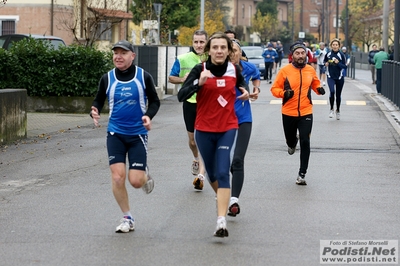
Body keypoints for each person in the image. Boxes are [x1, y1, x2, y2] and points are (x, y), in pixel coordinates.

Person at [177, 32, 249, 237]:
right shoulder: (200, 69)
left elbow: (242, 86)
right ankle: (222, 198)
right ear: (209, 50)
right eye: (215, 47)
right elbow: (182, 95)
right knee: (213, 173)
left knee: (223, 170)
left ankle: (221, 221)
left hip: (228, 127)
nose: (219, 51)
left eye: (223, 48)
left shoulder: (234, 69)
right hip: (204, 129)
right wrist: (198, 83)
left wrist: (244, 92)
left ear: (228, 51)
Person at [90, 40, 160, 233]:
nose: (118, 56)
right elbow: (98, 100)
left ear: (132, 56)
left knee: (135, 181)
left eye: (123, 53)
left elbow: (155, 101)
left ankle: (145, 176)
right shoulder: (107, 78)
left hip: (137, 135)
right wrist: (94, 111)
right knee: (118, 177)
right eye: (115, 53)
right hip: (115, 134)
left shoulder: (143, 76)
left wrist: (148, 115)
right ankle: (127, 218)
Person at [271, 41, 325, 185]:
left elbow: (315, 83)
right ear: (292, 55)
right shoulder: (285, 71)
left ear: (306, 54)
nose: (300, 56)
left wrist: (319, 89)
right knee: (290, 141)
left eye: (303, 53)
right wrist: (284, 93)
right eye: (297, 53)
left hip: (306, 111)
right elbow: (274, 89)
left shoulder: (310, 70)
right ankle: (292, 142)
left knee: (306, 141)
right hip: (288, 112)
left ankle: (302, 174)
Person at [168, 30, 207, 190]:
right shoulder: (182, 59)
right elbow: (171, 77)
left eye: (201, 42)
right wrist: (182, 79)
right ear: (192, 42)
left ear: (206, 42)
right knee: (192, 140)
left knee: (203, 138)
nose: (198, 45)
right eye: (196, 42)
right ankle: (196, 158)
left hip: (206, 103)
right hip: (190, 102)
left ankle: (201, 176)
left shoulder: (211, 59)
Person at [228, 39, 260, 217]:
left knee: (238, 160)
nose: (233, 54)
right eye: (230, 50)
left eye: (236, 50)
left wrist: (256, 89)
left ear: (241, 53)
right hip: (223, 120)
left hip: (243, 118)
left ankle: (234, 201)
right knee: (225, 162)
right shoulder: (218, 71)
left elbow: (256, 76)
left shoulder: (248, 67)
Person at [324, 38, 347, 120]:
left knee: (338, 95)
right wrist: (325, 64)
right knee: (332, 92)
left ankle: (338, 110)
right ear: (331, 46)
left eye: (336, 45)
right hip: (330, 76)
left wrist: (338, 63)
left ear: (339, 46)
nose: (335, 46)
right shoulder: (328, 54)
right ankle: (331, 109)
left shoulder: (341, 55)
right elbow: (325, 62)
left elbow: (345, 66)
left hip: (339, 77)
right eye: (333, 45)